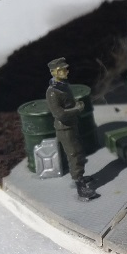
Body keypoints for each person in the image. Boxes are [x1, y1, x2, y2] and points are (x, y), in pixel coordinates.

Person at [46, 57, 100, 201]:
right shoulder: (53, 92)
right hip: (64, 128)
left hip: (71, 125)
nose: (66, 71)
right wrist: (77, 109)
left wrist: (76, 104)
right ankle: (80, 186)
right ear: (54, 72)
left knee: (78, 152)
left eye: (66, 69)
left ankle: (80, 177)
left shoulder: (63, 86)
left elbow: (69, 102)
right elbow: (59, 114)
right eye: (62, 70)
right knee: (74, 154)